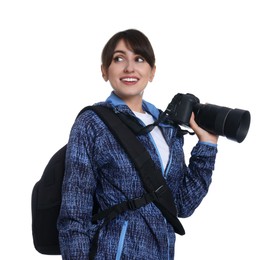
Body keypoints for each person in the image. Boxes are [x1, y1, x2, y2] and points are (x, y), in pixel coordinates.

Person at [57, 29, 218, 260]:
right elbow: (74, 213)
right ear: (104, 71)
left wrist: (207, 146)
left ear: (152, 71)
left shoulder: (166, 128)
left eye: (139, 59)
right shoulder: (93, 122)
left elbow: (182, 204)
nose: (129, 68)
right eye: (119, 58)